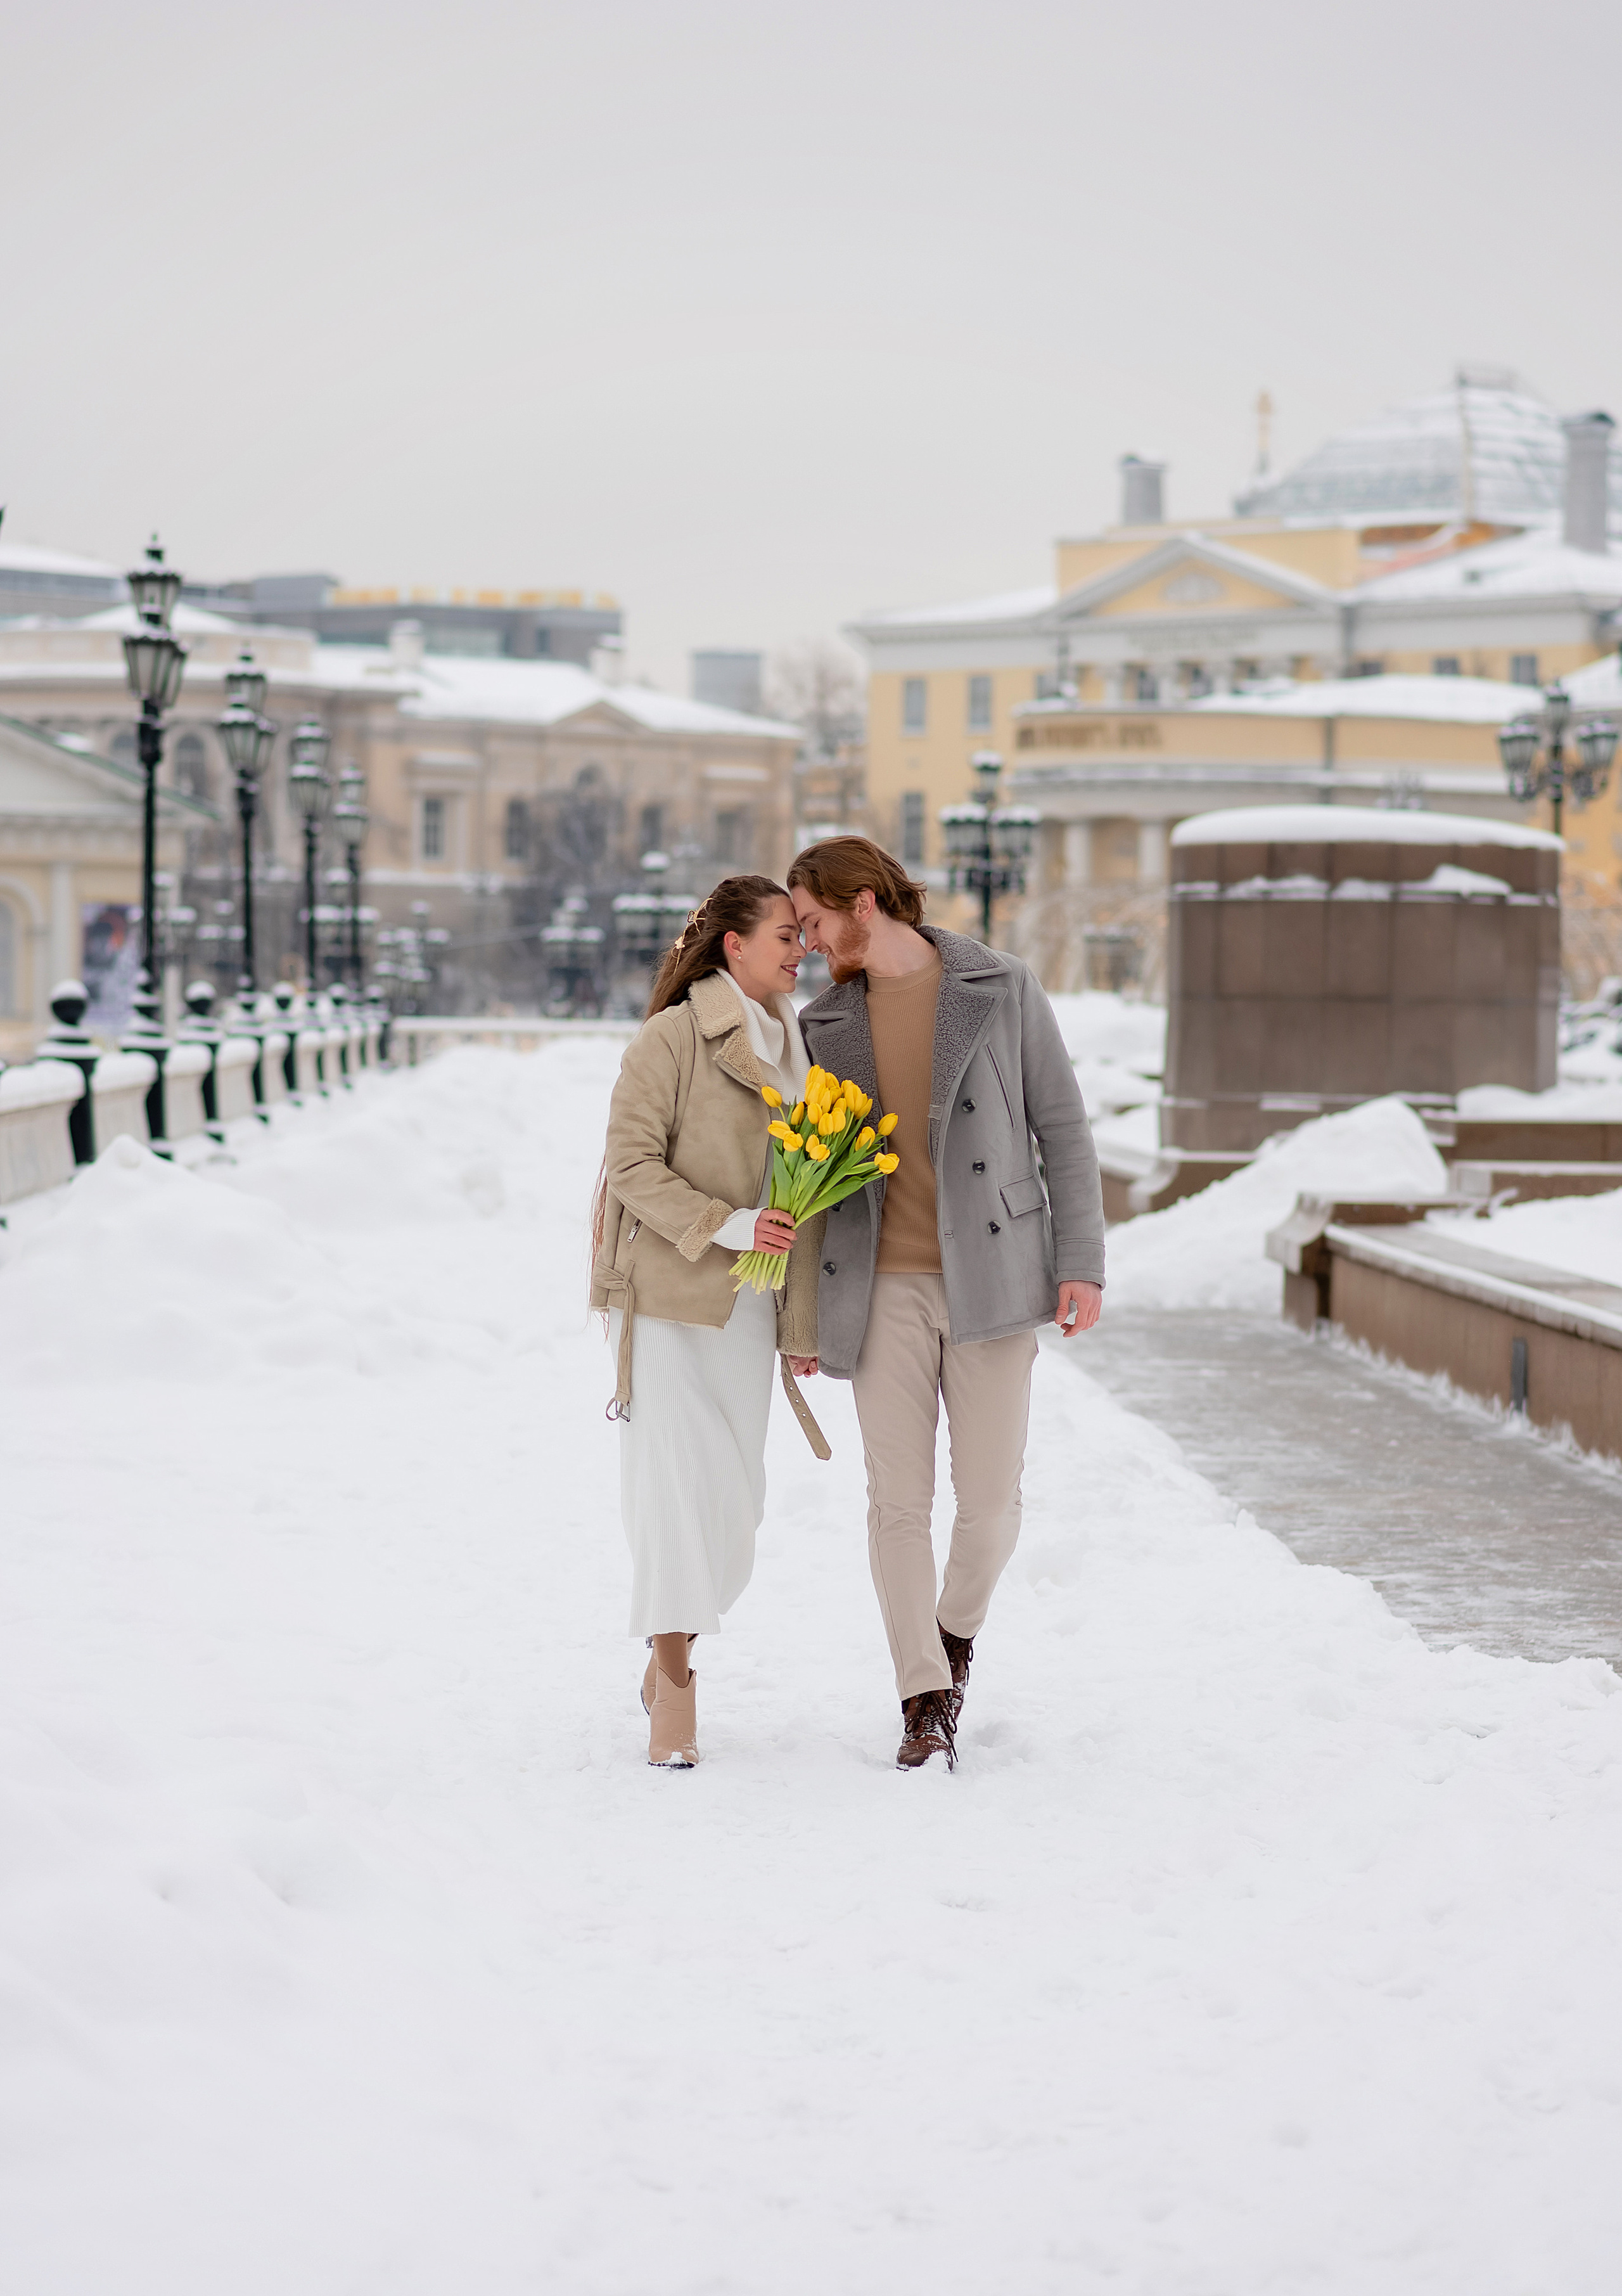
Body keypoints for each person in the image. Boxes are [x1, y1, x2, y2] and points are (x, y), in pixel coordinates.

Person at [787, 837, 1104, 1772]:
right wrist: (797, 1320)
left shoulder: (1000, 986)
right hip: (878, 1284)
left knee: (992, 1506)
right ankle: (924, 1698)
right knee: (897, 1504)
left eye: (812, 921)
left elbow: (1064, 1127)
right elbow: (809, 1177)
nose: (807, 942)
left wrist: (1080, 1261)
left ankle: (952, 1636)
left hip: (998, 1277)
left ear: (862, 904)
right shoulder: (825, 1023)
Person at [591, 875, 825, 1769]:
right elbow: (630, 1165)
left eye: (803, 936)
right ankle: (675, 1681)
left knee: (736, 1509)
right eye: (783, 936)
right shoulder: (674, 1039)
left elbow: (807, 1206)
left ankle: (671, 1645)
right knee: (672, 1494)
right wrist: (727, 1225)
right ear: (733, 945)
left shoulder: (802, 1051)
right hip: (664, 1301)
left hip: (750, 1310)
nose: (799, 948)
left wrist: (799, 1326)